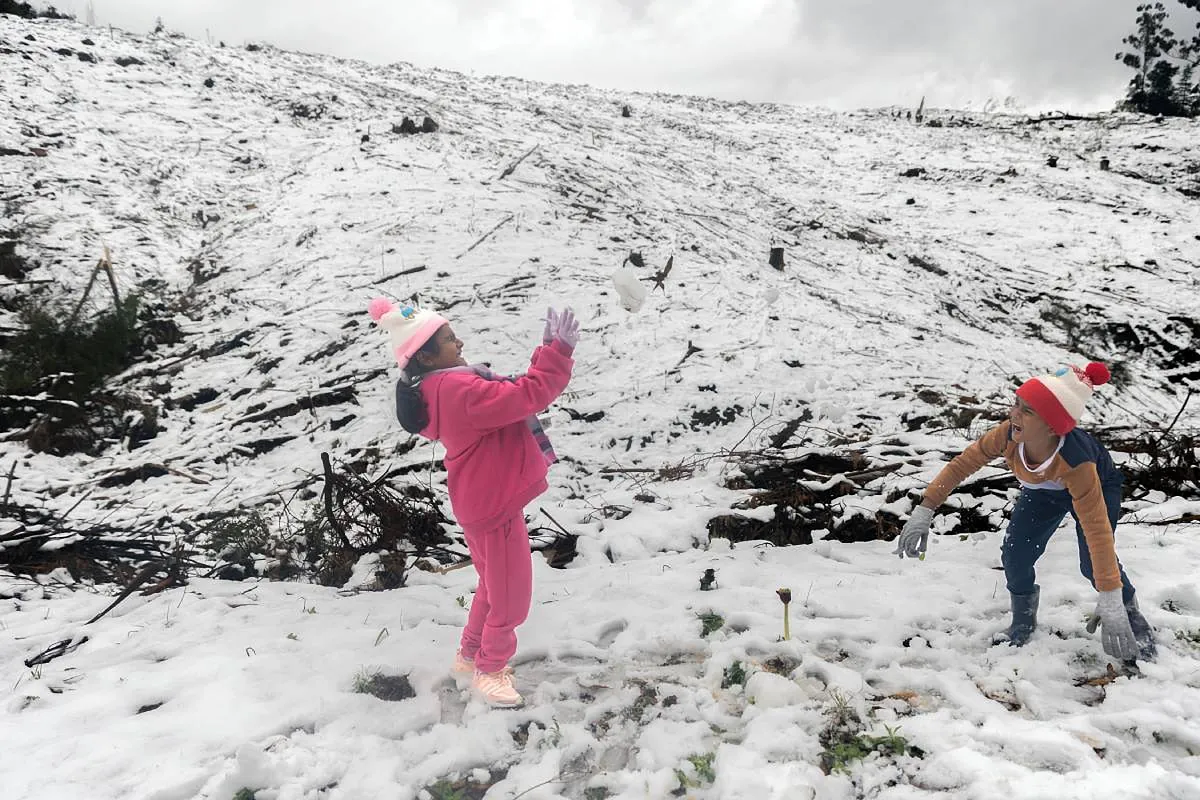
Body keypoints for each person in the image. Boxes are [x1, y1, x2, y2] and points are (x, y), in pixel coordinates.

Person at [368, 297, 579, 707]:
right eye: (449, 338)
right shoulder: (457, 390)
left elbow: (508, 396)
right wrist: (558, 353)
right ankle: (491, 670)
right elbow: (528, 394)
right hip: (493, 504)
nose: (459, 342)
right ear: (425, 355)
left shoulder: (436, 387)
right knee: (511, 594)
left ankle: (469, 656)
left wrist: (545, 350)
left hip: (480, 499)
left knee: (492, 585)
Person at [894, 362, 1156, 662]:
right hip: (1044, 491)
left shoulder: (1077, 462)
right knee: (1016, 555)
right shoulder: (1007, 436)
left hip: (1098, 487)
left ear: (1052, 426)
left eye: (1028, 410)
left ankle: (1130, 615)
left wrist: (1109, 594)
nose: (1014, 414)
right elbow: (962, 465)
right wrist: (925, 509)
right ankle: (1023, 621)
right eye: (1017, 403)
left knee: (1091, 564)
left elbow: (1097, 532)